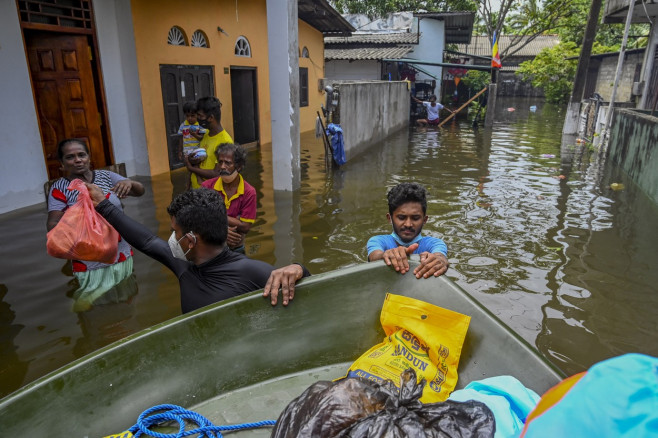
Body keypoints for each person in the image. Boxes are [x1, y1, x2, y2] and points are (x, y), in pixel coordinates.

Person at [87, 186, 309, 313]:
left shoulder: (255, 273)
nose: (171, 238)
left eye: (175, 232)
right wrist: (102, 204)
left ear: (191, 240)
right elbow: (147, 241)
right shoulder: (184, 266)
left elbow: (312, 301)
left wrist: (299, 270)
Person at [47, 138, 145, 310]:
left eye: (81, 155)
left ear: (89, 158)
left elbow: (140, 191)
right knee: (92, 302)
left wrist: (130, 183)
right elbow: (52, 224)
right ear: (62, 164)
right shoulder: (61, 188)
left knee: (126, 294)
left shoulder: (106, 177)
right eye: (70, 157)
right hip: (88, 258)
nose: (77, 160)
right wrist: (80, 219)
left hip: (120, 250)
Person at [367, 182, 449, 278]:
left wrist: (440, 261)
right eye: (401, 217)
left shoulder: (435, 243)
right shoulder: (377, 241)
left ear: (424, 220)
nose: (408, 224)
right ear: (389, 218)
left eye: (415, 218)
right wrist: (385, 255)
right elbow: (374, 256)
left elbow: (441, 257)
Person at [201, 143, 255, 253]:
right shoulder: (207, 186)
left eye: (228, 163)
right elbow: (200, 218)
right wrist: (223, 229)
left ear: (239, 166)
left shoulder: (249, 192)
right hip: (211, 248)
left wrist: (213, 215)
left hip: (236, 249)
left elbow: (245, 227)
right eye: (220, 162)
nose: (222, 166)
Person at [185, 96, 233, 189]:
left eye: (200, 116)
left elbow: (216, 173)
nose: (198, 119)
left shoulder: (225, 142)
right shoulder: (207, 133)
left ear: (211, 117)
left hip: (209, 196)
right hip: (196, 192)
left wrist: (191, 168)